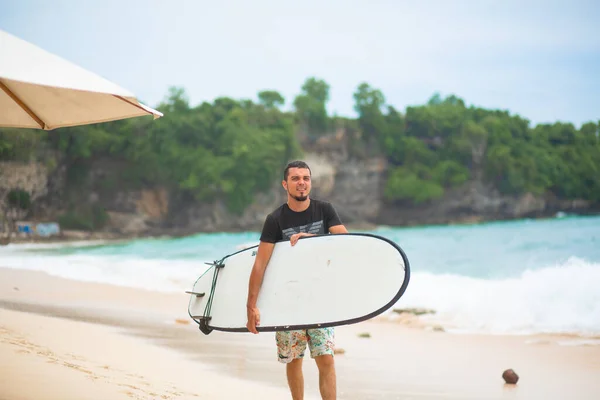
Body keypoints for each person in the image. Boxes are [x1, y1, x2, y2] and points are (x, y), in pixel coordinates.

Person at [246, 160, 348, 400]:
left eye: (306, 178)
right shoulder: (276, 220)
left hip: (319, 297)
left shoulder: (324, 210)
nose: (301, 183)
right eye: (295, 179)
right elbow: (260, 264)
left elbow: (346, 242)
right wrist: (251, 306)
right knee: (294, 359)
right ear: (285, 184)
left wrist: (310, 237)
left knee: (326, 358)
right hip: (288, 299)